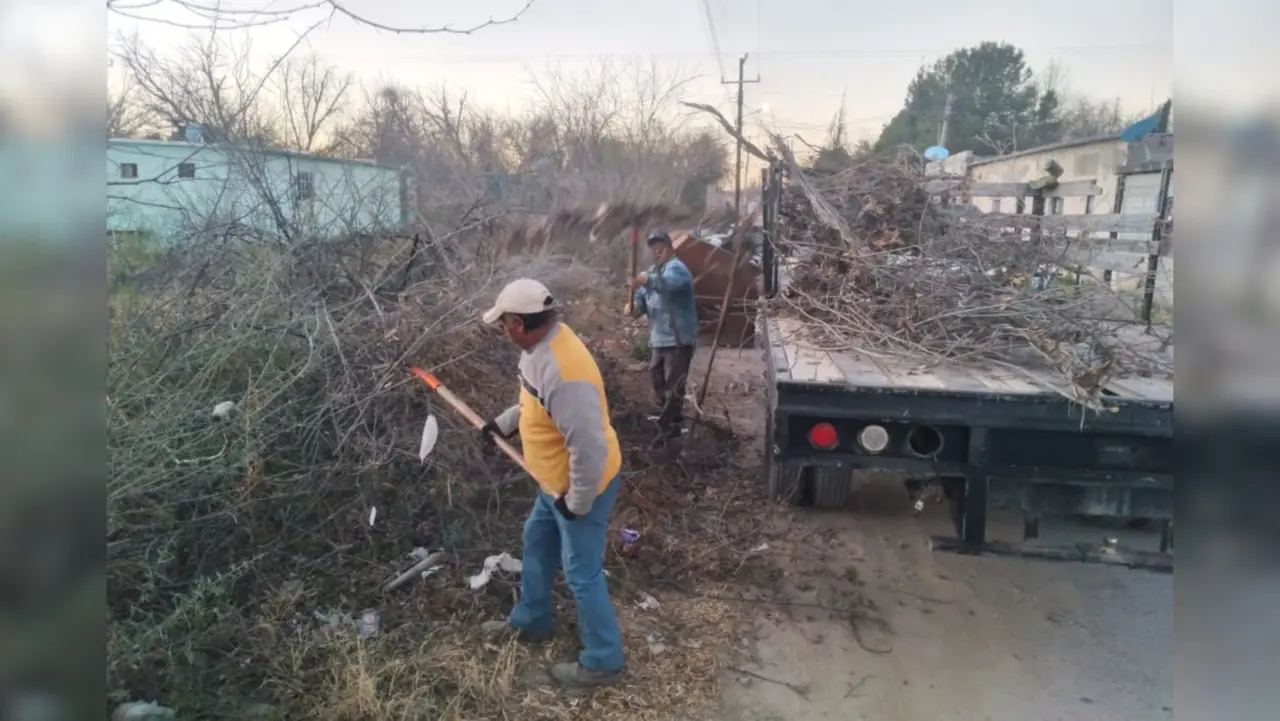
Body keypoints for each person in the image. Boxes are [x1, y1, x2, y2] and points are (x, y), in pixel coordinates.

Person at [477, 277, 626, 687]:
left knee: (582, 572)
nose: (503, 331)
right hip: (551, 481)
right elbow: (533, 401)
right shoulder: (540, 348)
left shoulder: (565, 371)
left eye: (504, 324)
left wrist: (576, 503)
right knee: (537, 542)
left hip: (582, 486)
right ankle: (533, 620)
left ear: (519, 323)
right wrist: (504, 424)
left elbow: (590, 448)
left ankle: (602, 662)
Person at [627, 229, 698, 434]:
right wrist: (634, 307)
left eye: (661, 248)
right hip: (659, 338)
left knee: (674, 381)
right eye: (654, 248)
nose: (657, 252)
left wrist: (645, 280)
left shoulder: (677, 269)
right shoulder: (653, 271)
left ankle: (671, 422)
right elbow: (641, 296)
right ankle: (666, 413)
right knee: (655, 374)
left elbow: (670, 285)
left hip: (678, 338)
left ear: (670, 248)